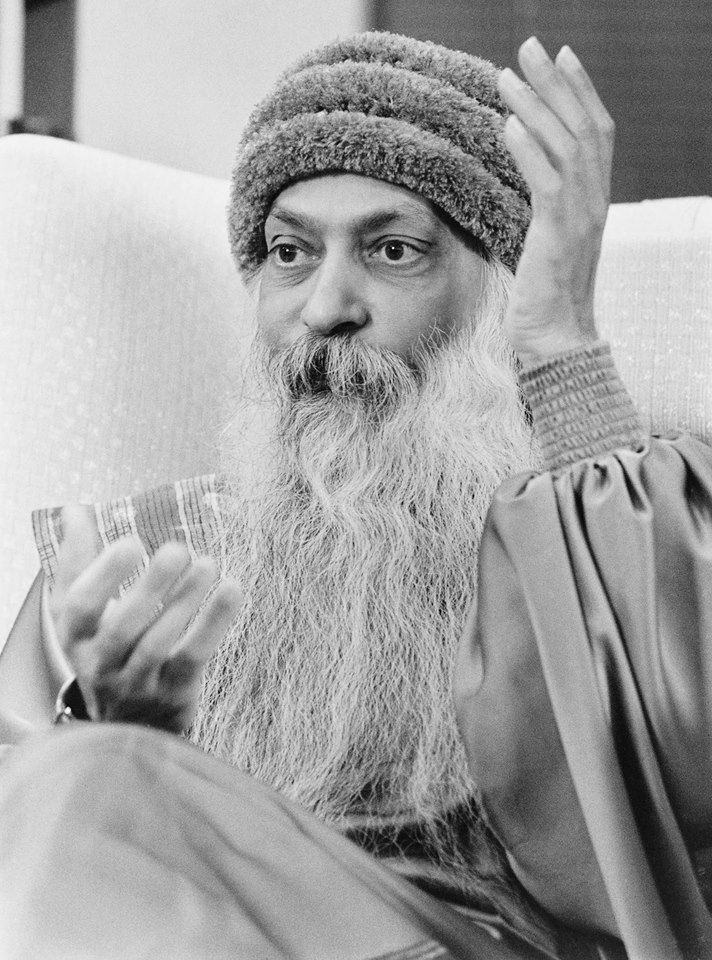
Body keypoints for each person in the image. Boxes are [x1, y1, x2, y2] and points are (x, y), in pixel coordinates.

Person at [1, 28, 709, 960]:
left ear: (499, 291)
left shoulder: (601, 523)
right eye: (289, 253)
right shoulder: (139, 566)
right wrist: (133, 742)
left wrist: (559, 339)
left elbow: (685, 780)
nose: (326, 306)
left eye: (394, 250)